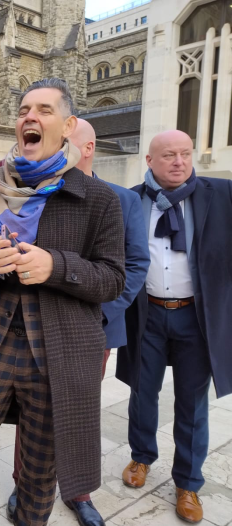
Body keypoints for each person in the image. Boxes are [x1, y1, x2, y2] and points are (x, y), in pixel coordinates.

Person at [0, 78, 126, 526]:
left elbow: (113, 279)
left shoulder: (98, 199)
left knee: (39, 477)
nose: (29, 117)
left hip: (60, 354)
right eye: (23, 111)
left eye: (44, 110)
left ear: (68, 125)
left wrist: (55, 267)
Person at [5, 118, 150, 526]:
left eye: (66, 140)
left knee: (76, 408)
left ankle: (77, 492)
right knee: (29, 408)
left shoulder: (119, 199)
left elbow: (134, 264)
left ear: (85, 148)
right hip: (35, 328)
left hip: (93, 327)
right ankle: (25, 482)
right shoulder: (34, 193)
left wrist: (97, 313)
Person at [117, 130, 232, 524]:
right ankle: (141, 457)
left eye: (185, 154)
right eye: (168, 155)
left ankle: (188, 482)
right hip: (146, 314)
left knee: (193, 403)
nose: (179, 161)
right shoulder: (130, 200)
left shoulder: (221, 195)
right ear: (150, 161)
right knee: (142, 391)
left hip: (195, 317)